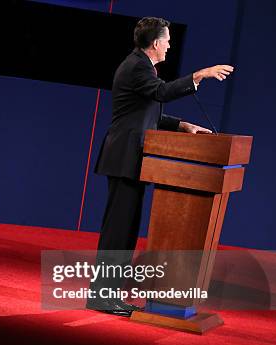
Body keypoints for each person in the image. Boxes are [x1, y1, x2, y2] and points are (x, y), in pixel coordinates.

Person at [87, 17, 234, 316]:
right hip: (124, 158)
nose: (170, 45)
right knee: (118, 232)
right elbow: (162, 93)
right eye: (167, 40)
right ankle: (102, 297)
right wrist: (199, 75)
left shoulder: (141, 67)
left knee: (124, 232)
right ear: (155, 43)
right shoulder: (137, 66)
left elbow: (148, 112)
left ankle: (107, 295)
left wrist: (182, 125)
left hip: (131, 159)